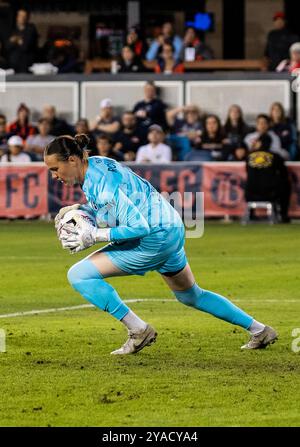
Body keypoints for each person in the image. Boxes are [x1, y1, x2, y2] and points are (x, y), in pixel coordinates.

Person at [44, 133, 278, 354]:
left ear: (72, 160)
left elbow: (138, 227)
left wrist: (95, 235)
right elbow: (117, 207)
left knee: (79, 275)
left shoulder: (102, 184)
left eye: (55, 169)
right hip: (171, 229)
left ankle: (139, 331)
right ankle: (260, 330)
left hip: (152, 238)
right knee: (191, 296)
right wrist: (82, 210)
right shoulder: (97, 163)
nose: (54, 175)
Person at [245, 133, 291, 223]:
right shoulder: (276, 157)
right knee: (286, 184)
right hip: (270, 194)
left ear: (260, 142)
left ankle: (251, 213)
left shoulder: (249, 156)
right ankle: (283, 214)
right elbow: (284, 174)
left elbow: (247, 172)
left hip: (250, 194)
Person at [6, 9, 38, 73]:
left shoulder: (30, 29)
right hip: (12, 65)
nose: (22, 18)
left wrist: (16, 39)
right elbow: (7, 46)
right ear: (17, 17)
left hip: (25, 65)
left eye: (24, 16)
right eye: (20, 16)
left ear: (27, 18)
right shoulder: (13, 30)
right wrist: (18, 40)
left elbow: (25, 46)